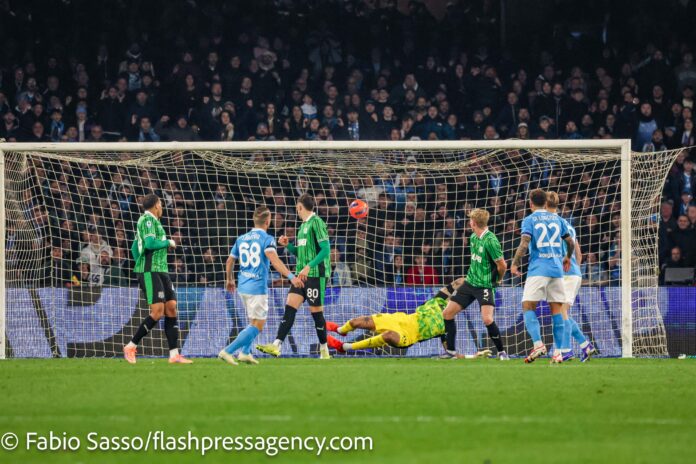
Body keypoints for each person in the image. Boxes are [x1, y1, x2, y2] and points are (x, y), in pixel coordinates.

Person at [218, 206, 304, 365]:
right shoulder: (267, 238)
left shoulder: (242, 238)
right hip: (257, 287)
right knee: (258, 325)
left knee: (253, 322)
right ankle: (228, 351)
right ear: (268, 221)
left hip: (243, 286)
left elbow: (229, 260)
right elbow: (274, 260)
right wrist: (291, 276)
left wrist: (229, 279)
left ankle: (245, 353)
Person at [325, 277, 490, 358]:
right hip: (401, 319)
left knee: (389, 336)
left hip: (409, 335)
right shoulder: (438, 300)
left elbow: (451, 352)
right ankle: (340, 330)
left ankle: (344, 347)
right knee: (356, 322)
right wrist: (476, 281)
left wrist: (473, 356)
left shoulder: (447, 326)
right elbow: (458, 282)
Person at [256, 194, 332, 359]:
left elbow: (326, 249)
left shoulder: (317, 222)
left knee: (316, 313)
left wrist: (308, 267)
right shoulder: (302, 226)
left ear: (300, 207)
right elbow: (302, 253)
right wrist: (289, 246)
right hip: (301, 275)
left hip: (315, 275)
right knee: (290, 307)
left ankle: (324, 350)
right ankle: (276, 345)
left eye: (297, 207)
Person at [123, 194, 192, 364]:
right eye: (160, 204)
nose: (162, 207)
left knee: (171, 308)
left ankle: (174, 354)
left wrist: (138, 260)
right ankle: (131, 346)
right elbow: (149, 244)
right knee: (157, 312)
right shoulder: (147, 220)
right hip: (150, 270)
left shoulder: (154, 222)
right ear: (156, 205)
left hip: (161, 270)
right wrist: (168, 243)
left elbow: (134, 246)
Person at [510, 188, 575, 364]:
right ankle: (558, 353)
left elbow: (524, 244)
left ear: (530, 203)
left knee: (528, 305)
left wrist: (515, 263)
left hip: (538, 269)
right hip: (557, 270)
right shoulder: (558, 219)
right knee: (557, 310)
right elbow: (570, 242)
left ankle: (538, 344)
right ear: (545, 203)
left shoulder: (529, 220)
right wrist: (567, 257)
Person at [440, 208, 509, 360]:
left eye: (470, 220)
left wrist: (497, 280)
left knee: (487, 319)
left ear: (474, 223)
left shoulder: (491, 241)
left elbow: (502, 265)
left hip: (484, 285)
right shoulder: (473, 237)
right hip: (470, 282)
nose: (469, 222)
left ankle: (502, 352)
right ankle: (450, 352)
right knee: (447, 313)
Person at [546, 192, 596, 362]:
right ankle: (585, 345)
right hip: (573, 273)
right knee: (563, 312)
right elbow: (578, 253)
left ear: (545, 206)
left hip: (565, 274)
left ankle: (566, 350)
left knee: (561, 312)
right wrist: (575, 270)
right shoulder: (568, 225)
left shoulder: (551, 225)